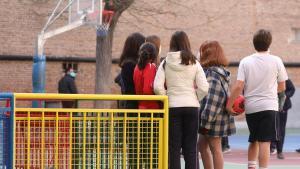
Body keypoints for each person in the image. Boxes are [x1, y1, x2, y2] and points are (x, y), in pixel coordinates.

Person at [226, 29, 288, 169]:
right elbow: (282, 86)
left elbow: (238, 86)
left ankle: (251, 166)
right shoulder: (276, 61)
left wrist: (229, 105)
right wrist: (269, 91)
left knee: (253, 139)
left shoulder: (245, 61)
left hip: (251, 107)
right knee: (264, 142)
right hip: (269, 106)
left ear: (254, 44)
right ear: (269, 43)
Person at [154, 31, 209, 169]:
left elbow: (157, 87)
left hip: (172, 106)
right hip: (191, 106)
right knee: (190, 148)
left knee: (174, 148)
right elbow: (204, 87)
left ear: (172, 44)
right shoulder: (194, 62)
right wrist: (195, 97)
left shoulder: (165, 62)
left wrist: (167, 96)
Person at [197, 41, 236, 169]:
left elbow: (213, 100)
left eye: (201, 52)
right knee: (202, 146)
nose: (199, 55)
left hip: (212, 119)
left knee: (215, 148)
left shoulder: (212, 75)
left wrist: (206, 123)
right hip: (215, 118)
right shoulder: (220, 72)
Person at [119, 32, 146, 109]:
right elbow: (131, 88)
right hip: (133, 105)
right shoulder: (129, 65)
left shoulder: (128, 63)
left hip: (133, 103)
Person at [270, 79, 295, 159]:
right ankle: (271, 146)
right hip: (270, 106)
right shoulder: (268, 77)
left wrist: (285, 96)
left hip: (283, 106)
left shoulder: (284, 78)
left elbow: (292, 89)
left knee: (280, 128)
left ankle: (280, 150)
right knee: (271, 127)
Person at [133, 42, 160, 109]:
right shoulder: (150, 67)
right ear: (154, 55)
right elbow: (147, 90)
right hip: (151, 106)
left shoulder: (137, 67)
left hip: (141, 105)